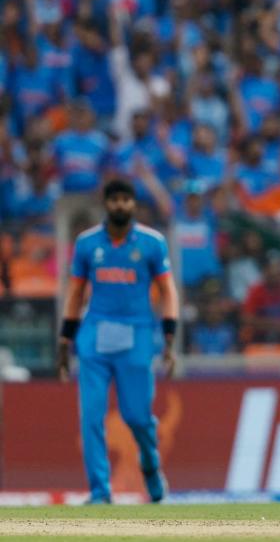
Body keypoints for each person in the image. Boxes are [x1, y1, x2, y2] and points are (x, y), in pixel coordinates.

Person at [56, 178, 178, 504]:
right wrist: (65, 340)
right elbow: (75, 294)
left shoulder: (152, 243)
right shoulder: (87, 244)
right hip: (95, 335)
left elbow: (168, 292)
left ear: (133, 204)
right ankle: (100, 491)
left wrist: (170, 337)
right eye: (115, 200)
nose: (120, 205)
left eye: (126, 200)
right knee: (92, 417)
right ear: (105, 204)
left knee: (137, 416)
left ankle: (150, 464)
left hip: (136, 334)